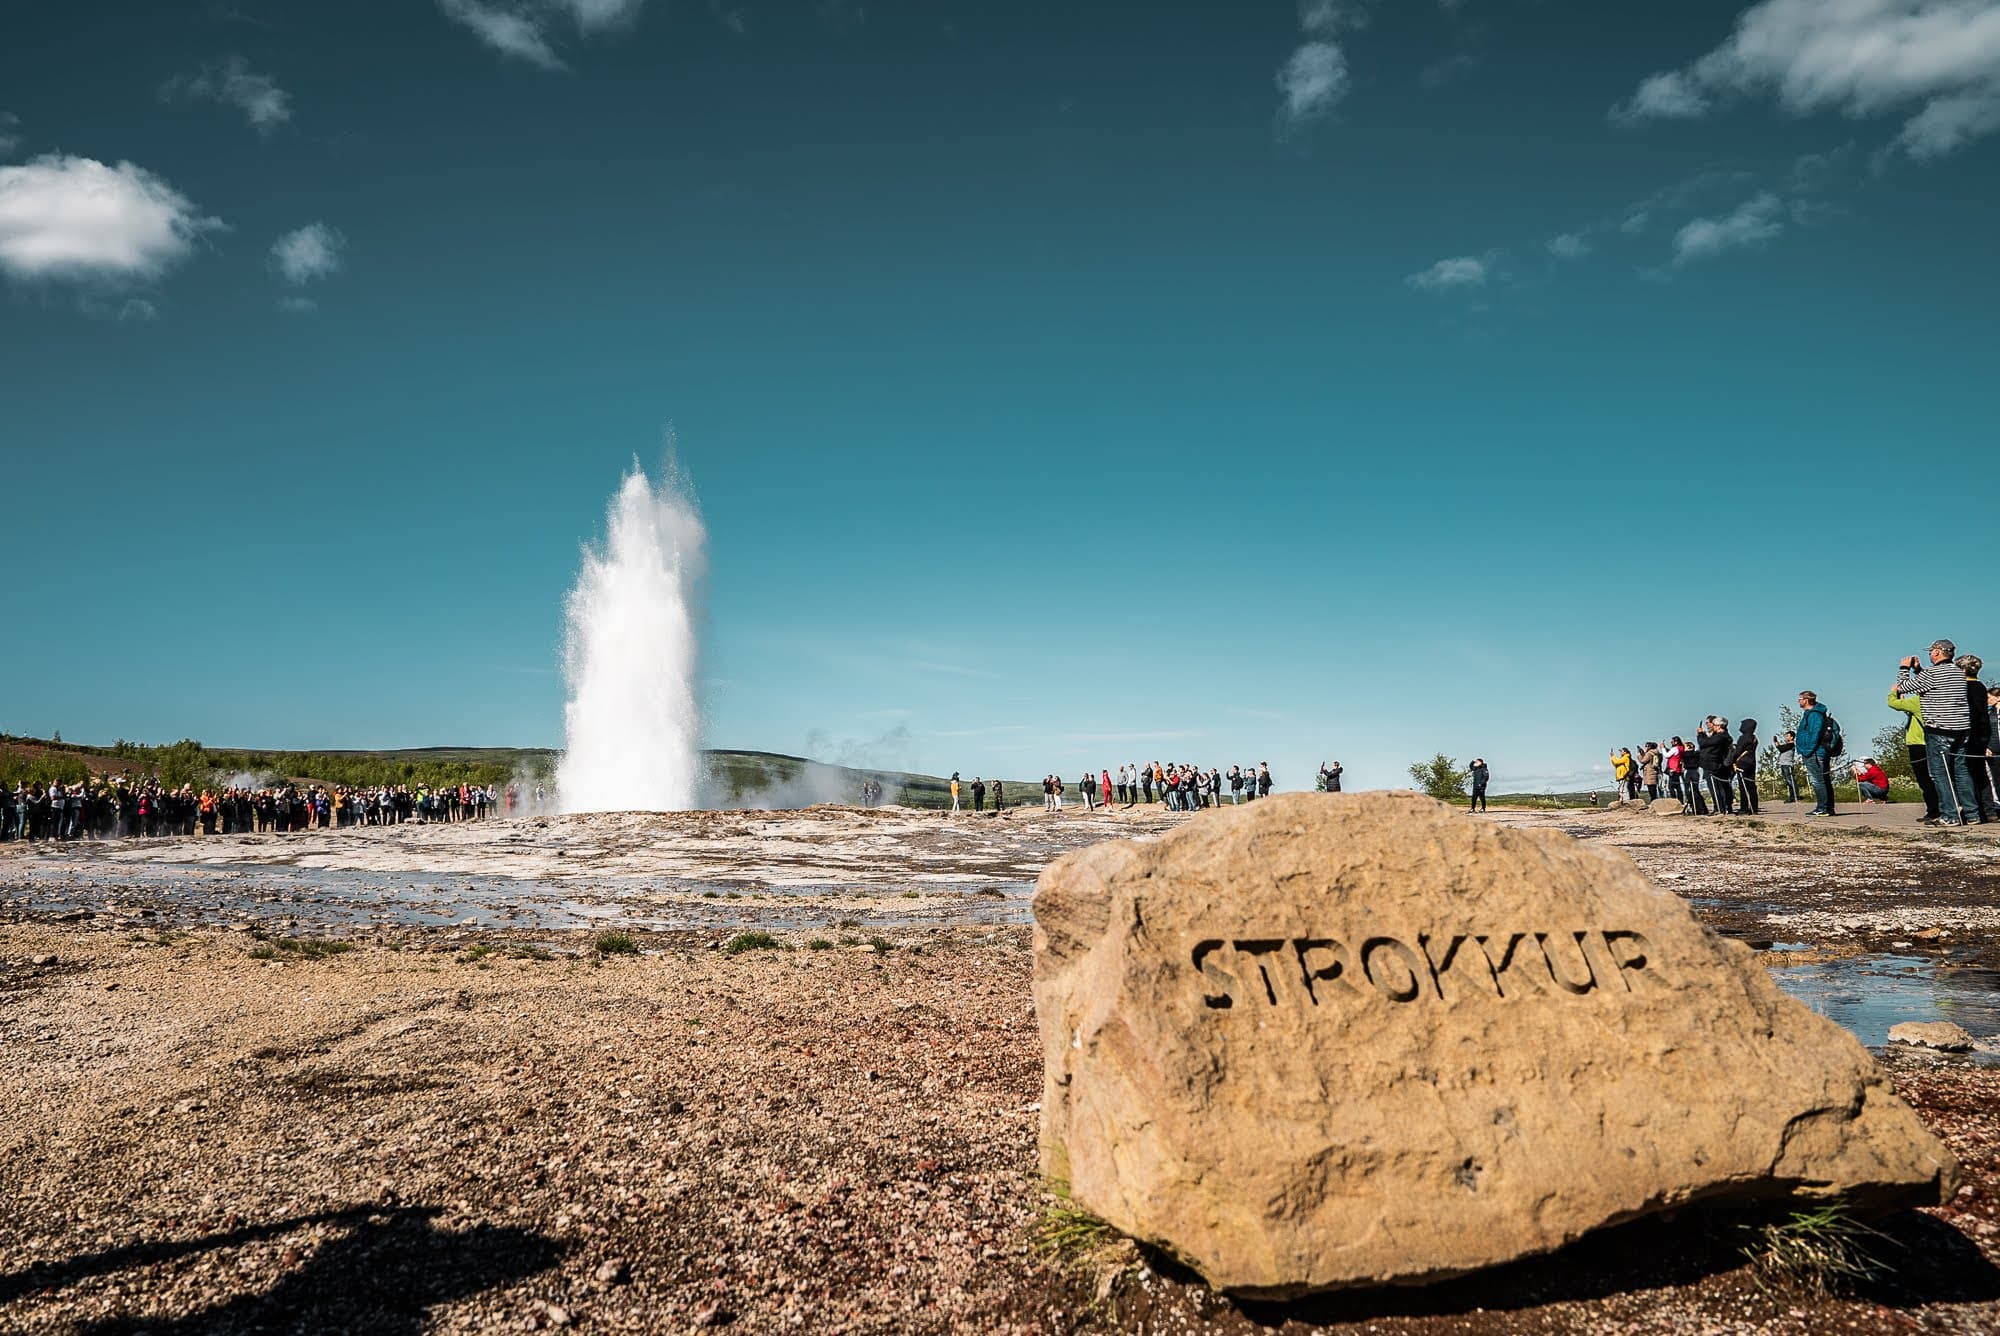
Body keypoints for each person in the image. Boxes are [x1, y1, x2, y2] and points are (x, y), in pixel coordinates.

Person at [1894, 641, 1981, 826]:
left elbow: (1902, 687)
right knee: (1961, 771)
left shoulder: (1933, 673)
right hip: (1961, 728)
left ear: (1937, 652)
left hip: (1939, 728)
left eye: (1932, 652)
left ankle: (1950, 815)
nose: (1930, 655)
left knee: (1940, 774)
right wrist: (1919, 670)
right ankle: (1972, 813)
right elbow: (1933, 684)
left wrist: (1904, 668)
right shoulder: (1958, 672)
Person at [1886, 687, 1942, 823]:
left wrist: (1894, 692)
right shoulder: (1935, 701)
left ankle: (1933, 810)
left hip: (1918, 744)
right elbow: (1912, 712)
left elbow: (1893, 703)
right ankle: (1941, 807)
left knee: (1924, 779)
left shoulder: (1919, 700)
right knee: (1937, 777)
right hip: (1934, 743)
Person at [1794, 691, 1839, 817]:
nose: (1798, 701)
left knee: (1817, 780)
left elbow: (1815, 733)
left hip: (1814, 752)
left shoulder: (1814, 715)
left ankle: (1822, 808)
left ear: (1806, 700)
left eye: (1800, 699)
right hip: (1815, 751)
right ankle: (1828, 808)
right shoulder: (1813, 714)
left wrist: (1808, 750)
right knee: (1823, 779)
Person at [1697, 719, 1733, 816]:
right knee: (1717, 787)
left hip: (1713, 764)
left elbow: (1704, 744)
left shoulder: (1721, 736)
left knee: (1715, 788)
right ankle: (1720, 807)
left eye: (1714, 725)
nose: (1712, 726)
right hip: (1711, 763)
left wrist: (1700, 735)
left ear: (1719, 726)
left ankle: (1720, 808)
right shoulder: (1719, 736)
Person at [1730, 718, 1759, 816]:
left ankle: (1744, 808)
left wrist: (1731, 760)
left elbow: (1738, 751)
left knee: (1743, 787)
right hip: (1752, 763)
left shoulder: (1743, 737)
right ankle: (1754, 808)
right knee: (1751, 786)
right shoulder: (1754, 737)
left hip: (1742, 762)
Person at [1774, 731, 1800, 804]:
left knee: (1790, 780)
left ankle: (1796, 796)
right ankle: (1792, 796)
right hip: (1783, 764)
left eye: (1787, 736)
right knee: (1788, 781)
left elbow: (1781, 748)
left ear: (1792, 737)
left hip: (1787, 764)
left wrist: (1776, 742)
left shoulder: (1791, 745)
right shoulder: (1788, 745)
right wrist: (1776, 742)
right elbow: (1781, 748)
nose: (1786, 737)